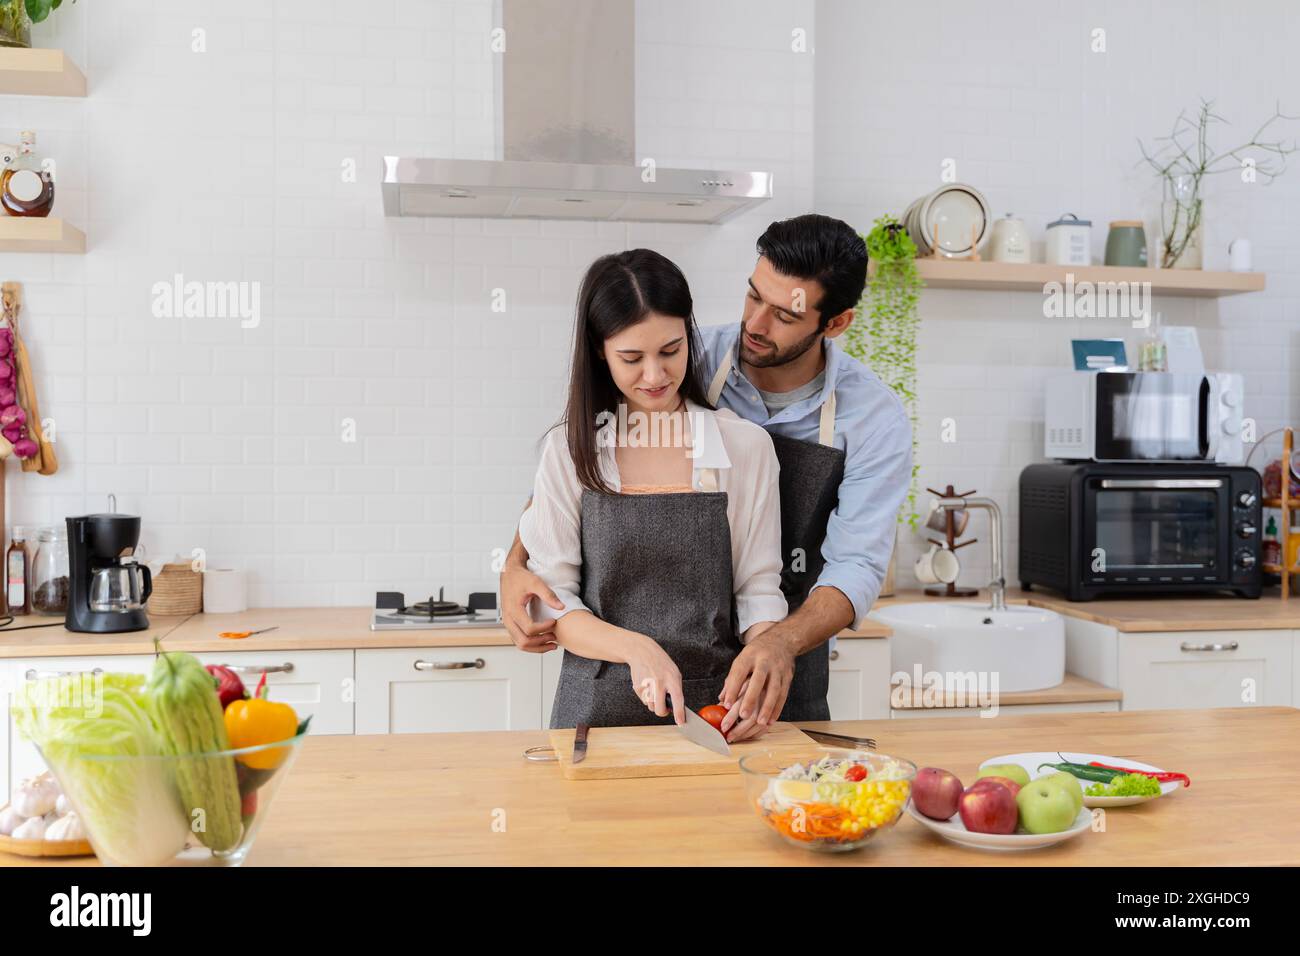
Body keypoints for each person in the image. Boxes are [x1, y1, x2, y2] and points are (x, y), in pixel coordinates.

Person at [503, 214, 912, 741]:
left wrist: (777, 642)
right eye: (752, 296)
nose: (756, 325)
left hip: (778, 661)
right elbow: (561, 495)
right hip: (601, 697)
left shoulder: (871, 419)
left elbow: (854, 564)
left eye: (784, 315)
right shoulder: (690, 352)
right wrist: (514, 565)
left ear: (834, 323)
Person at [518, 248, 788, 729]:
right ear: (600, 351)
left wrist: (762, 669)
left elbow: (758, 589)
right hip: (593, 718)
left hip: (714, 715)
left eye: (671, 350)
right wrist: (637, 648)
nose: (656, 376)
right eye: (631, 358)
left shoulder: (745, 447)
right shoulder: (569, 450)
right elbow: (554, 599)